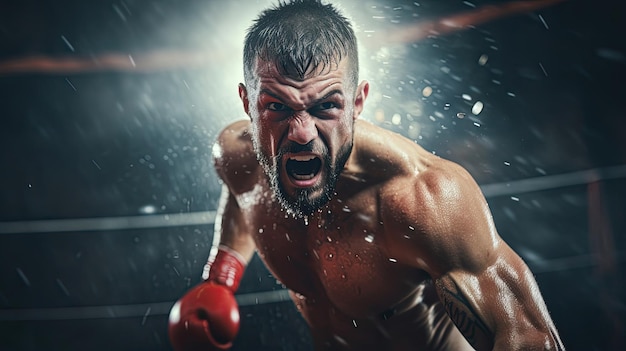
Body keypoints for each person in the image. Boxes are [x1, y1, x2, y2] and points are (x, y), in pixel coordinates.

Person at [168, 0, 565, 350]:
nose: (302, 133)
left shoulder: (422, 198)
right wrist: (222, 277)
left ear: (358, 101)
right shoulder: (238, 156)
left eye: (326, 107)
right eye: (277, 107)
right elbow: (244, 196)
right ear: (247, 103)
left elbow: (532, 338)